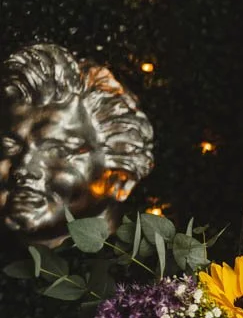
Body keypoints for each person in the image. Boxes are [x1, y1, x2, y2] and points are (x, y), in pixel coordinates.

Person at [0, 44, 153, 246]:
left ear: (120, 177)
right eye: (9, 146)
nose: (23, 168)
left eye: (57, 151)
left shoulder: (157, 274)